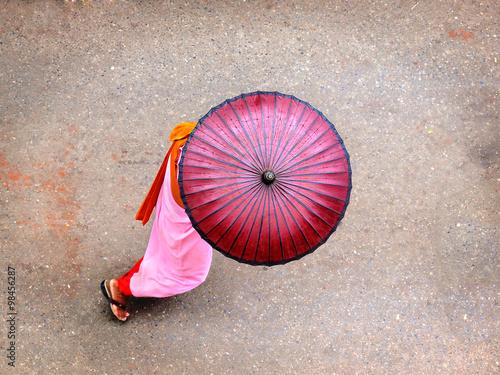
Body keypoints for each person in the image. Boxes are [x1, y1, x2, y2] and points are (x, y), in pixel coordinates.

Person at [101, 122, 213, 321]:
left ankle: (127, 282)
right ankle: (122, 287)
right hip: (189, 208)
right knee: (187, 273)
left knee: (165, 247)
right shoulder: (204, 184)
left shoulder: (208, 133)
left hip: (180, 172)